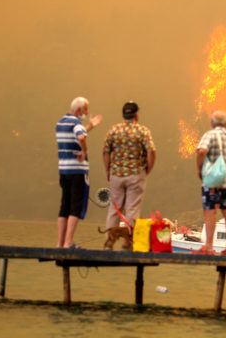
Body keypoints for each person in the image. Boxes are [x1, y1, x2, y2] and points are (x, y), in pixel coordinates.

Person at [102, 101, 156, 246]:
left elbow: (106, 151)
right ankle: (128, 241)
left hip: (116, 174)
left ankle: (110, 241)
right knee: (132, 208)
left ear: (123, 115)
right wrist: (149, 168)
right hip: (136, 174)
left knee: (114, 208)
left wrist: (108, 170)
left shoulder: (114, 130)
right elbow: (151, 151)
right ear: (136, 115)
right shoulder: (142, 131)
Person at [195, 110, 226, 255]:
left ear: (212, 123)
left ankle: (209, 247)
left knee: (210, 211)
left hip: (212, 181)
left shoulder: (209, 135)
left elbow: (202, 152)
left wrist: (199, 169)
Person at [56, 96, 102, 248]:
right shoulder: (76, 122)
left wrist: (90, 126)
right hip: (78, 171)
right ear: (78, 110)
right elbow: (81, 137)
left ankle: (60, 243)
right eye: (85, 110)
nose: (86, 112)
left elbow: (79, 134)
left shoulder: (61, 122)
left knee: (64, 207)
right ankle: (68, 243)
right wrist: (84, 151)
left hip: (64, 170)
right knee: (75, 207)